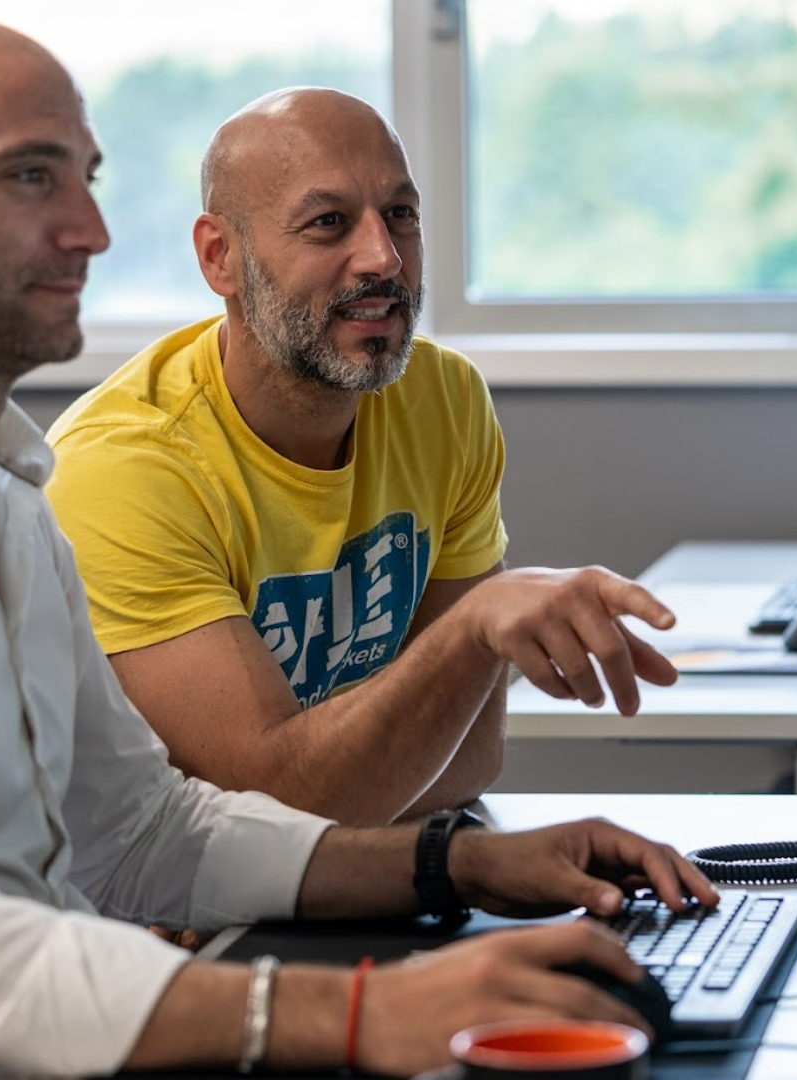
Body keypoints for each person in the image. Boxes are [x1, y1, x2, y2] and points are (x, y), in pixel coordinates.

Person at [0, 11, 720, 1079]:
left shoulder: (10, 490)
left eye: (88, 178)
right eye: (30, 177)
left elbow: (148, 835)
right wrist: (351, 1013)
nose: (91, 229)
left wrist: (458, 863)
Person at [46, 86, 681, 825]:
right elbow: (279, 809)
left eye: (401, 215)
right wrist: (469, 636)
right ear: (221, 258)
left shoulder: (443, 399)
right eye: (328, 224)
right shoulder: (122, 469)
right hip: (152, 920)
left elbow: (471, 757)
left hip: (340, 884)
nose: (383, 257)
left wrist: (350, 789)